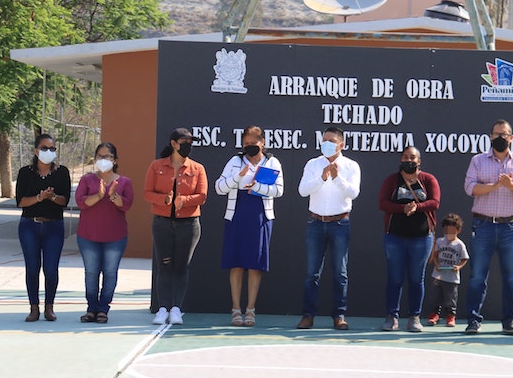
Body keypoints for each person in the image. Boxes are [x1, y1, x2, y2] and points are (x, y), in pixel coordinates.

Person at [463, 119, 513, 336]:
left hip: (510, 227)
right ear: (490, 137)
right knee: (477, 276)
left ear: (512, 138)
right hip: (483, 224)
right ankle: (473, 320)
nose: (500, 138)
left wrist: (511, 185)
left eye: (504, 134)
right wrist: (495, 186)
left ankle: (510, 320)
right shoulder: (478, 161)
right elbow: (469, 188)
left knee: (512, 277)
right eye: (496, 134)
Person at [215, 126, 283, 327]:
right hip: (236, 215)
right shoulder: (235, 161)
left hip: (260, 215)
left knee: (255, 264)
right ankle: (236, 309)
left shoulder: (272, 161)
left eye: (253, 144)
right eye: (245, 144)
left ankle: (250, 310)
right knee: (236, 263)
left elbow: (279, 190)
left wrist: (257, 187)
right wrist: (238, 177)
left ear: (262, 142)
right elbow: (219, 188)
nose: (249, 148)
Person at [296, 126, 360, 330]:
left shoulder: (351, 166)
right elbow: (302, 190)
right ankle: (308, 315)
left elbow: (353, 192)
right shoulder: (313, 164)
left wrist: (337, 177)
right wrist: (322, 177)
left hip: (340, 223)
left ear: (341, 144)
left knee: (340, 273)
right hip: (315, 222)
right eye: (324, 140)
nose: (326, 144)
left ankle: (339, 315)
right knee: (311, 273)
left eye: (331, 141)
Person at [144, 128, 207, 326]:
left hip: (188, 224)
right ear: (173, 143)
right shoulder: (156, 166)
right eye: (184, 141)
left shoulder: (197, 168)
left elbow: (202, 196)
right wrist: (164, 199)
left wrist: (185, 200)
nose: (188, 145)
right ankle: (162, 308)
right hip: (162, 223)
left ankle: (177, 309)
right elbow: (147, 193)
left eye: (191, 141)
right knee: (164, 266)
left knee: (181, 267)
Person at [378, 146, 440, 332]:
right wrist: (402, 209)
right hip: (395, 238)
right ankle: (392, 317)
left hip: (421, 239)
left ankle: (414, 317)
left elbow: (435, 202)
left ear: (419, 161)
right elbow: (382, 203)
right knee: (395, 278)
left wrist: (417, 207)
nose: (409, 160)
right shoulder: (392, 180)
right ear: (400, 160)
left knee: (416, 279)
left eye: (412, 157)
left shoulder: (428, 179)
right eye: (405, 157)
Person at [75, 142, 134, 324]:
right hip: (88, 235)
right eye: (100, 156)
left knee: (110, 272)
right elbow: (80, 202)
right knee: (91, 272)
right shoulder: (87, 180)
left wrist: (114, 196)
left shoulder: (124, 182)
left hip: (115, 237)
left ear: (115, 160)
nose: (103, 160)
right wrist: (99, 196)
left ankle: (103, 309)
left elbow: (127, 204)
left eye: (107, 156)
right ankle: (91, 308)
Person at [16, 133, 71, 322]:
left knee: (51, 268)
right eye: (45, 148)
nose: (49, 152)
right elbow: (21, 201)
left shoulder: (62, 172)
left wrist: (52, 197)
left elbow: (64, 200)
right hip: (29, 226)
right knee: (32, 268)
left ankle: (49, 307)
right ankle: (33, 308)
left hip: (54, 226)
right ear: (36, 150)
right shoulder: (25, 172)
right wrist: (39, 198)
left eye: (53, 149)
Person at [425, 213, 468, 328]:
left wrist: (458, 267)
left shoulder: (460, 245)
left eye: (452, 232)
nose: (449, 235)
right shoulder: (439, 241)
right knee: (435, 297)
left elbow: (464, 259)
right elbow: (434, 255)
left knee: (450, 299)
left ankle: (450, 317)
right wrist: (436, 264)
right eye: (447, 232)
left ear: (458, 230)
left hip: (452, 278)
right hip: (437, 276)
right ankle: (434, 315)